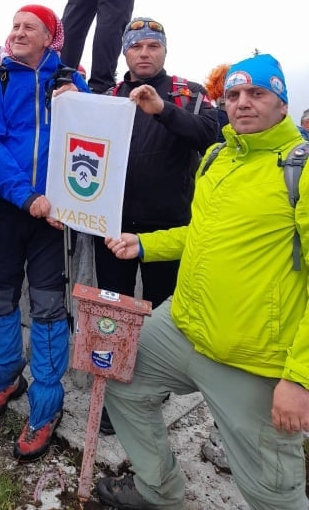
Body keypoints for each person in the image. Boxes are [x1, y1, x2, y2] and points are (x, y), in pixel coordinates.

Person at [95, 53, 309, 510]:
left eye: (258, 93)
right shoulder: (217, 156)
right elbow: (202, 233)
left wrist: (300, 378)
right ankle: (159, 491)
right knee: (117, 372)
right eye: (233, 94)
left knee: (271, 491)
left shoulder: (300, 169)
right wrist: (146, 244)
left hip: (249, 358)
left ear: (283, 104)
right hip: (182, 326)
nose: (243, 103)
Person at [0, 4, 89, 462]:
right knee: (0, 298)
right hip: (7, 208)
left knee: (47, 309)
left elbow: (91, 146)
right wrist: (26, 196)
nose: (18, 33)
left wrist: (73, 202)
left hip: (54, 219)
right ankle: (3, 380)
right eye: (14, 26)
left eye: (29, 28)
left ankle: (45, 407)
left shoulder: (69, 83)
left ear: (49, 38)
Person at [95, 18, 218, 435]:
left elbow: (212, 134)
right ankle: (116, 387)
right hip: (112, 225)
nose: (144, 53)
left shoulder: (190, 93)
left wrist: (163, 111)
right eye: (136, 47)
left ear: (164, 51)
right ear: (124, 53)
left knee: (164, 312)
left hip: (166, 231)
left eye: (152, 46)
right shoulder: (108, 94)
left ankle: (153, 386)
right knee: (113, 309)